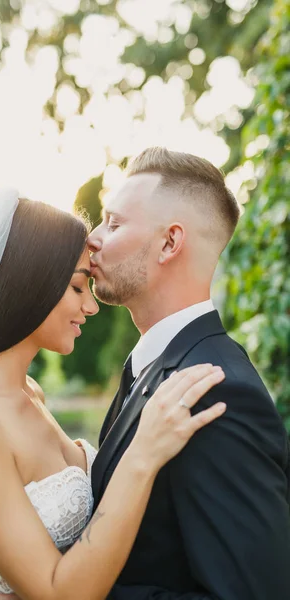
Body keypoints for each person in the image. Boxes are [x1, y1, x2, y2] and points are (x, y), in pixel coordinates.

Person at [0, 189, 226, 600]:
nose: (92, 306)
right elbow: (57, 592)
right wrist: (143, 454)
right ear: (31, 284)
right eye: (76, 287)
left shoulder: (31, 393)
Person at [85, 147, 290, 600]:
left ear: (170, 243)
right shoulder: (152, 363)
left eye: (114, 223)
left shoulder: (220, 394)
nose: (93, 238)